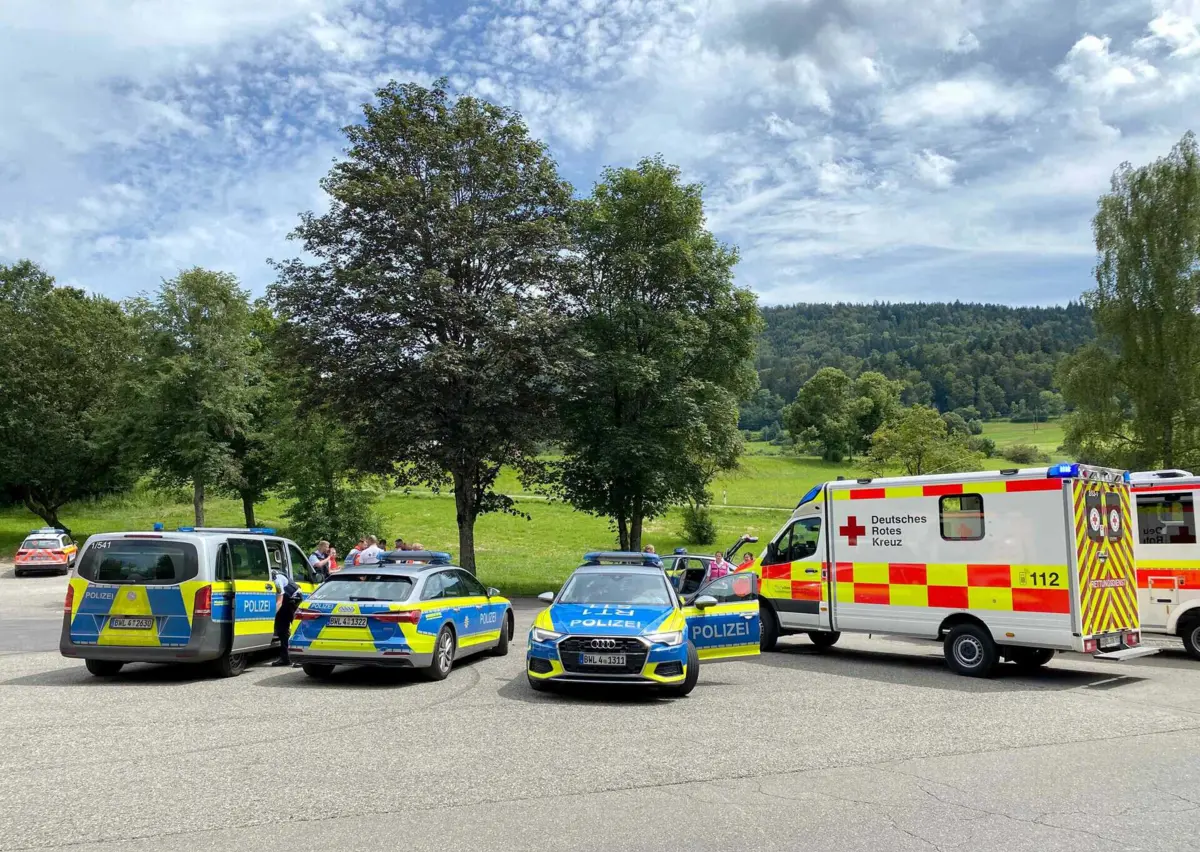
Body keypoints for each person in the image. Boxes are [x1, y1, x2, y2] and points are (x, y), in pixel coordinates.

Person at [270, 565, 303, 667]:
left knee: (296, 628)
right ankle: (285, 658)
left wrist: (270, 616)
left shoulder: (276, 580)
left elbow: (279, 601)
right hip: (284, 600)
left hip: (294, 598)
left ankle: (300, 659)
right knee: (282, 630)